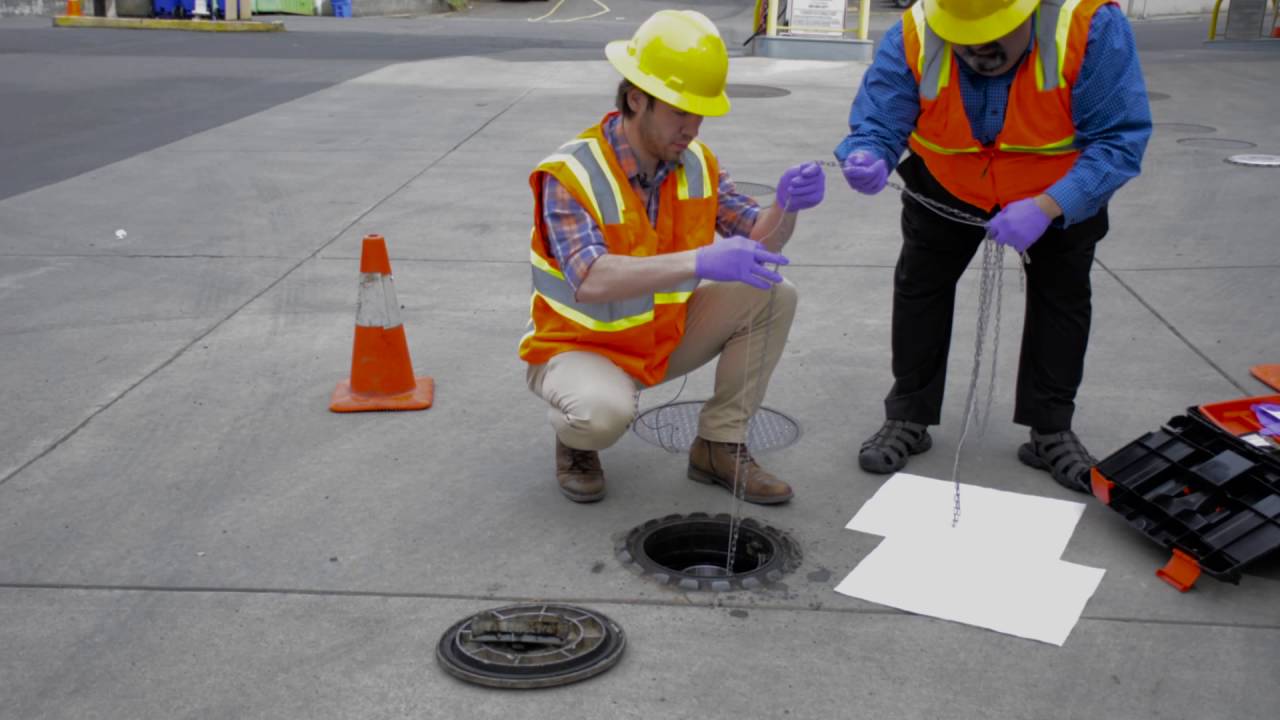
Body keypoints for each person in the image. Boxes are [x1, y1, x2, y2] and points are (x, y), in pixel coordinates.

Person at [835, 0, 1151, 492]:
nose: (975, 50)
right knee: (920, 288)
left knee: (1062, 297)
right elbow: (882, 114)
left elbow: (1118, 140)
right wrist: (867, 153)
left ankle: (1051, 429)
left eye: (992, 34)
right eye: (962, 35)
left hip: (1058, 186)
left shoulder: (1090, 25)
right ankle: (908, 416)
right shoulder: (918, 28)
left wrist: (1049, 206)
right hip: (947, 183)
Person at [519, 10, 825, 504]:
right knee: (599, 414)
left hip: (657, 338)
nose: (693, 127)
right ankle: (576, 441)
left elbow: (760, 243)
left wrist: (786, 207)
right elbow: (590, 279)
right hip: (578, 346)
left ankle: (719, 446)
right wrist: (699, 262)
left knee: (772, 293)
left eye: (699, 112)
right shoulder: (572, 173)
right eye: (680, 111)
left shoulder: (697, 162)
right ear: (636, 98)